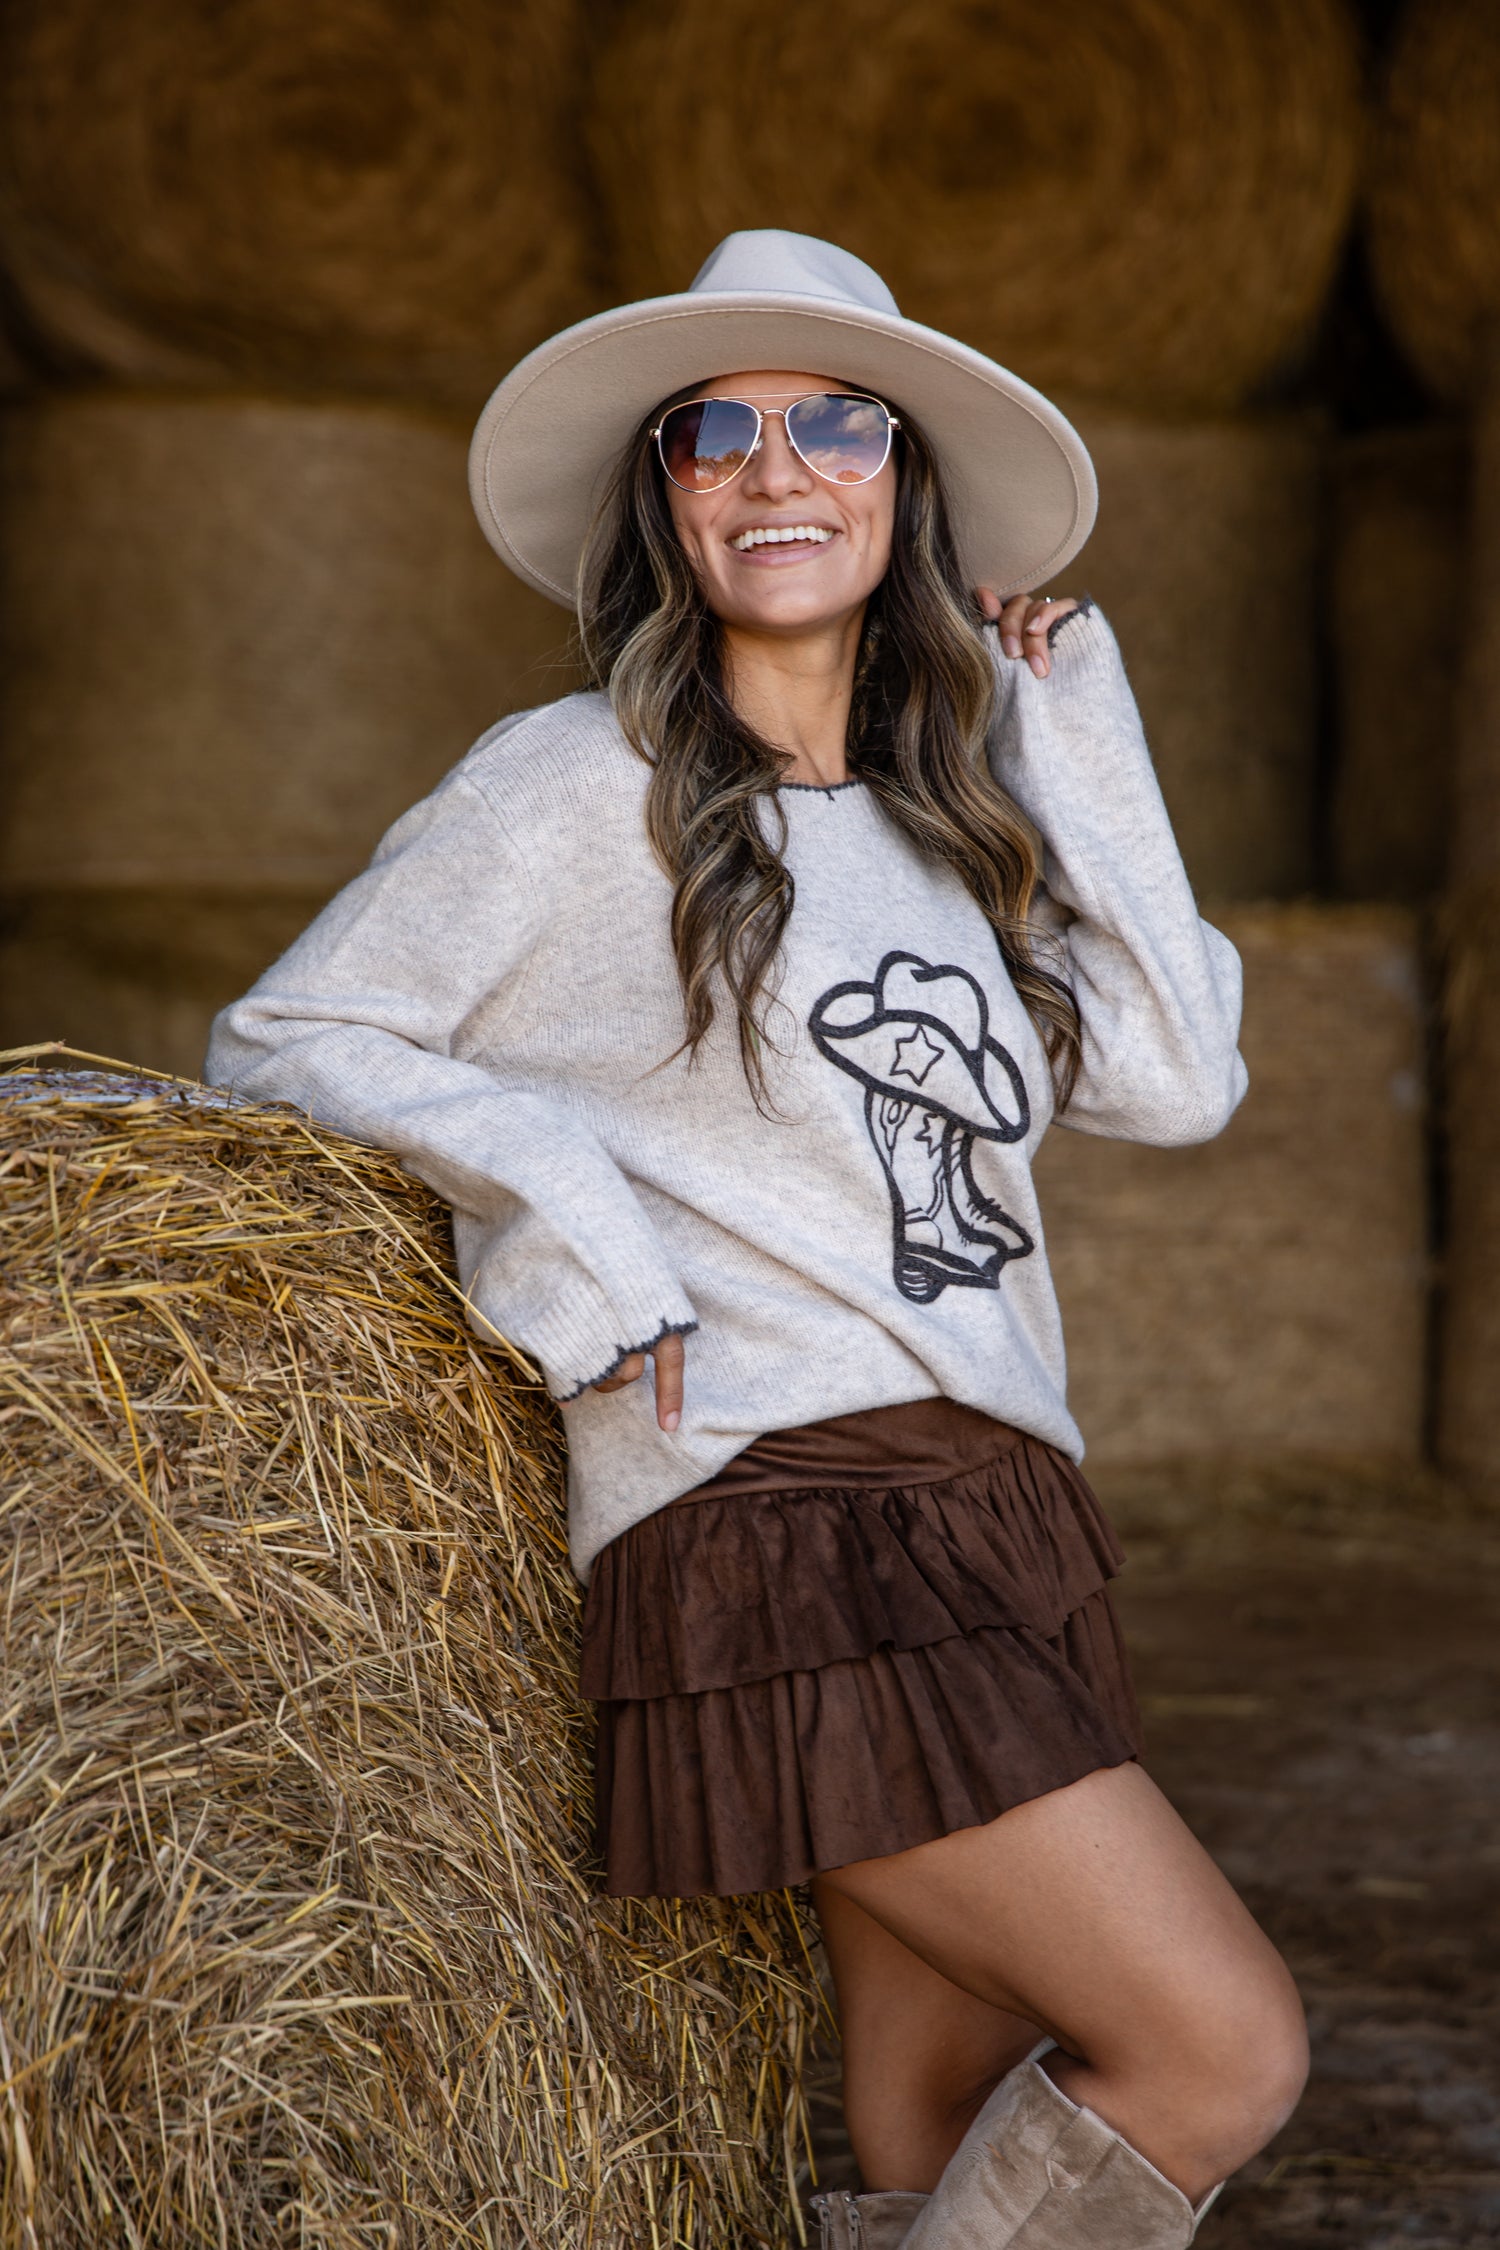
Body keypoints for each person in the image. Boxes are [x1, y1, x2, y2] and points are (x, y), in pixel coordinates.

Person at [207, 230, 1308, 2248]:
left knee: (937, 2131)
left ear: (905, 486)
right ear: (667, 492)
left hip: (994, 1509)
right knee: (1222, 2047)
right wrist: (585, 1246)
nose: (774, 470)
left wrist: (1081, 737)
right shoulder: (577, 788)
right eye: (716, 431)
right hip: (784, 1511)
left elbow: (1180, 1072)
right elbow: (290, 1036)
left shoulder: (958, 820)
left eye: (836, 425)